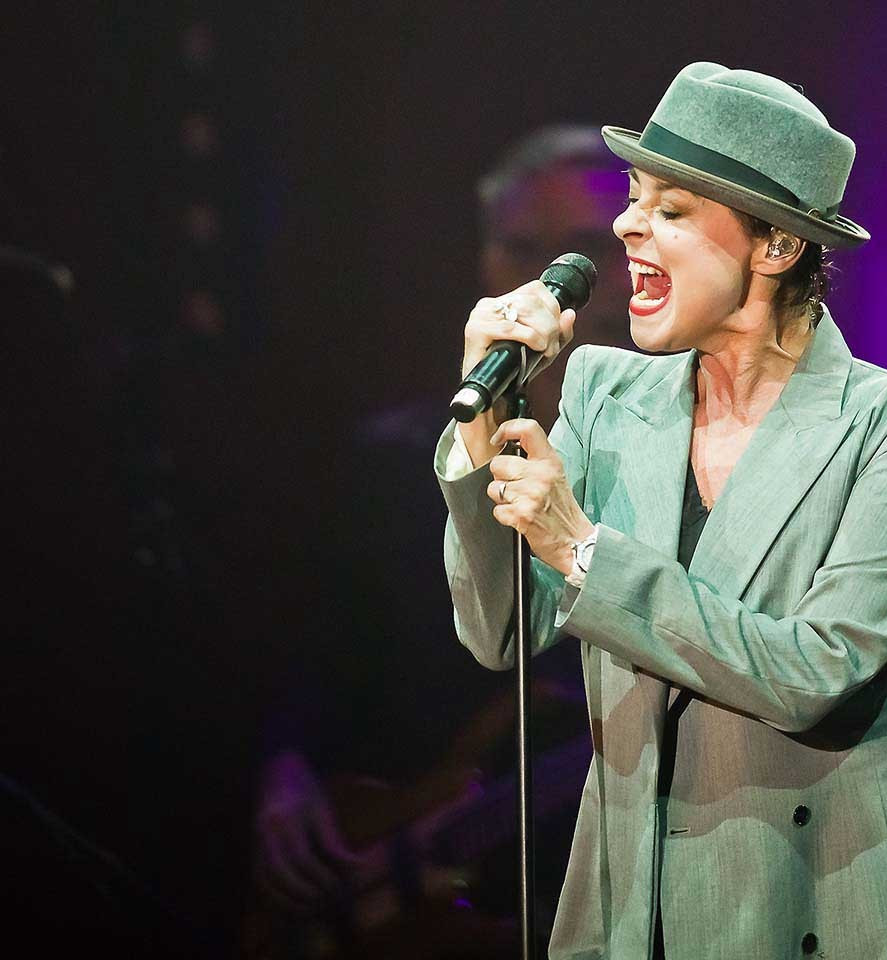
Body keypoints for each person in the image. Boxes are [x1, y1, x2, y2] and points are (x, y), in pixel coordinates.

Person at [434, 62, 887, 959]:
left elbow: (817, 670)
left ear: (777, 247)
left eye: (672, 209)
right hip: (622, 920)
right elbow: (502, 632)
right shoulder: (605, 394)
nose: (625, 225)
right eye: (634, 198)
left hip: (805, 910)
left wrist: (584, 549)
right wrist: (482, 420)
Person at [250, 125, 631, 954]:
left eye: (583, 252)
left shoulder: (694, 458)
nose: (547, 281)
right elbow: (322, 645)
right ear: (485, 264)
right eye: (521, 250)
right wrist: (287, 771)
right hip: (417, 881)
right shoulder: (397, 458)